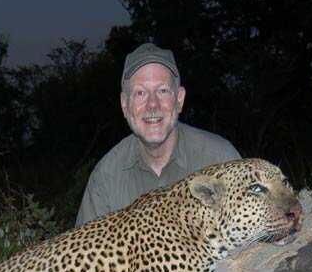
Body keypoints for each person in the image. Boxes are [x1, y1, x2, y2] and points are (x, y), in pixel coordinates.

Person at [75, 43, 240, 226]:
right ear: (124, 105)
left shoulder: (222, 161)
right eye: (140, 93)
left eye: (162, 91)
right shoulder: (105, 178)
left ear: (179, 99)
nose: (152, 104)